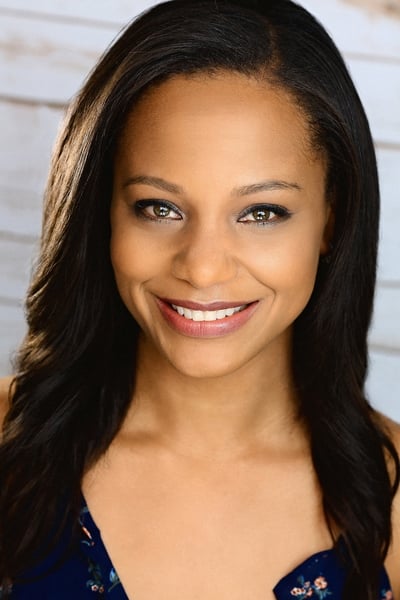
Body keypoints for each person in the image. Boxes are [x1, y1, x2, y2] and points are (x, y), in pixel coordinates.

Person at [0, 0, 399, 598]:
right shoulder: (7, 446)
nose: (203, 267)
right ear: (102, 211)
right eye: (159, 208)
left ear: (332, 220)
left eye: (261, 213)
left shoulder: (393, 497)